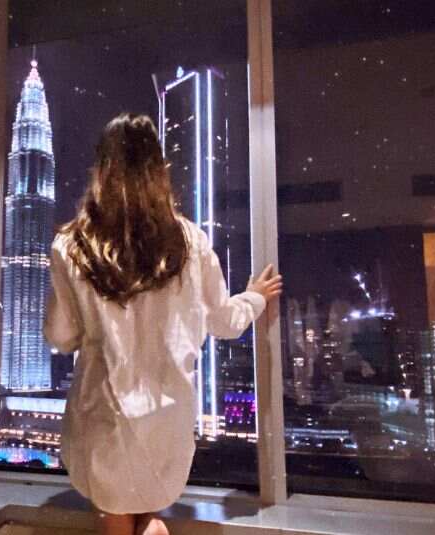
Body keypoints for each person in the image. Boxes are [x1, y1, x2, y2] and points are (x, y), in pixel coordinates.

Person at [43, 113, 283, 535]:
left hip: (105, 416)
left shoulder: (72, 245)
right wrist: (255, 298)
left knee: (116, 510)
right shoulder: (190, 241)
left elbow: (61, 335)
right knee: (146, 509)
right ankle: (152, 525)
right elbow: (224, 322)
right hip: (168, 420)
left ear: (101, 170)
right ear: (158, 172)